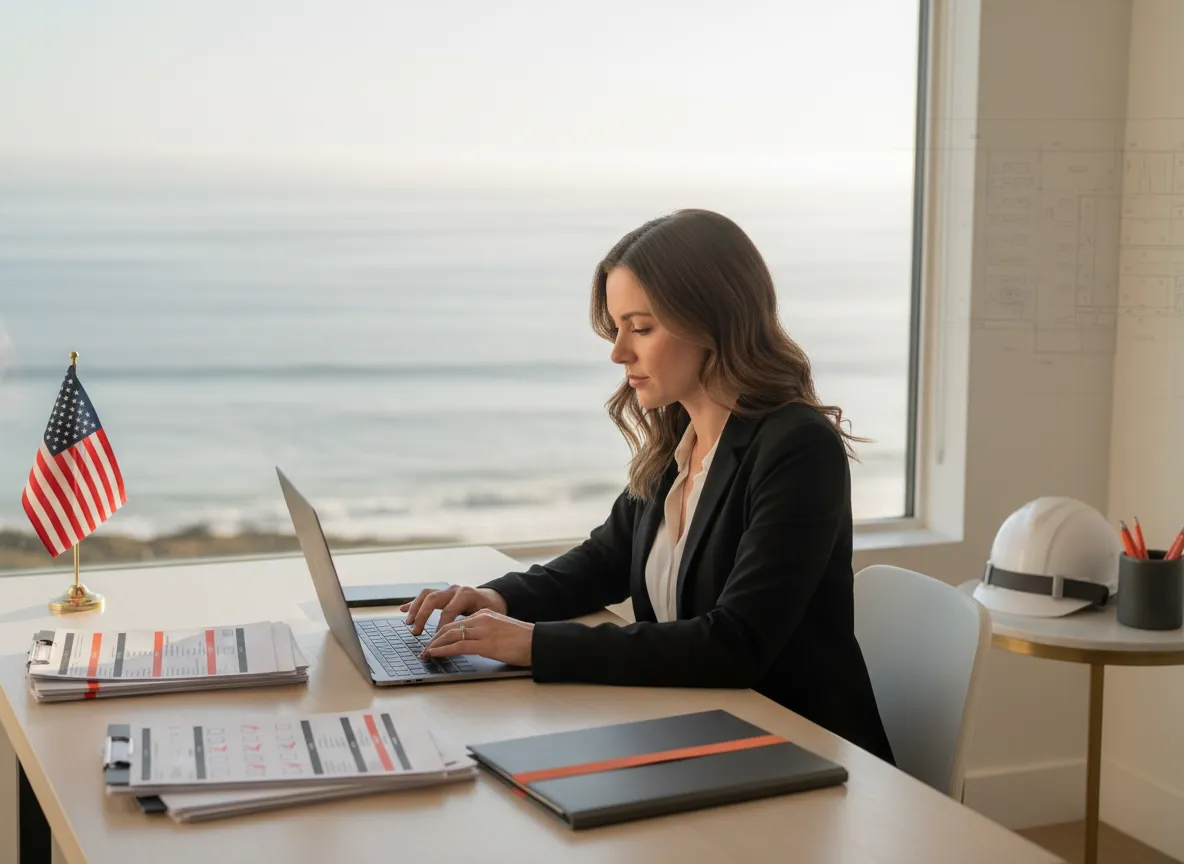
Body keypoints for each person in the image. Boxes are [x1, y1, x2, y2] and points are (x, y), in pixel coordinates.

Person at [404, 208, 895, 764]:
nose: (618, 352)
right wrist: (498, 598)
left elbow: (734, 645)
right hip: (697, 731)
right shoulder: (678, 438)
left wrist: (534, 645)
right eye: (616, 329)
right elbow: (605, 559)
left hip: (799, 752)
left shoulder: (798, 447)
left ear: (713, 320)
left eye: (640, 328)